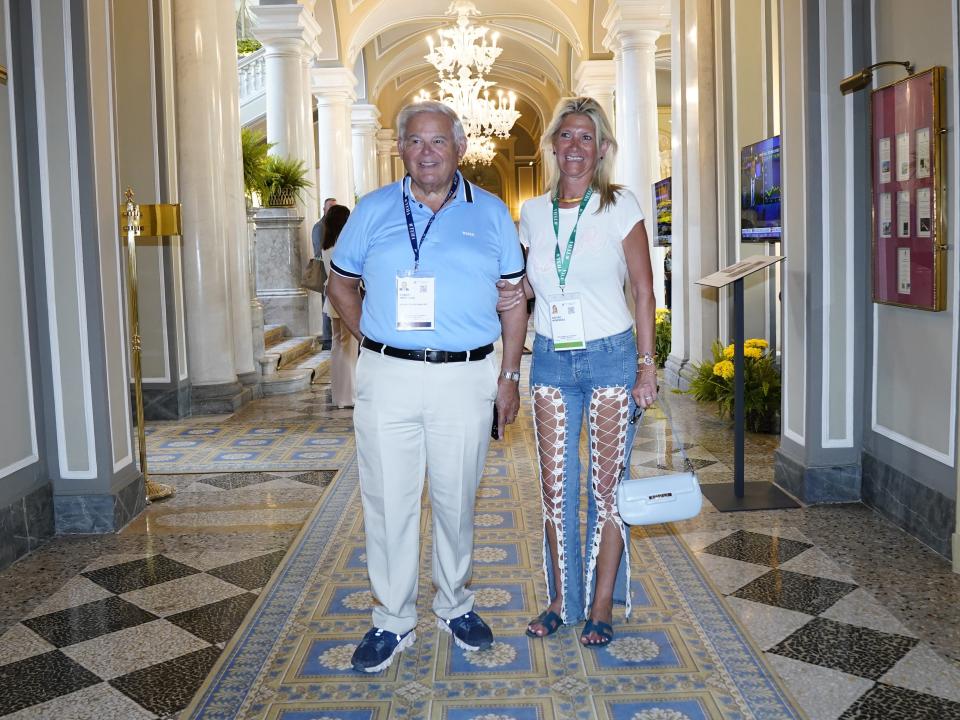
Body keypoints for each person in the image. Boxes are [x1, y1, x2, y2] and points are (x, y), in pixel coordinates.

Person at [326, 101, 528, 673]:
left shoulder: (490, 213)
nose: (428, 152)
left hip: (466, 376)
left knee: (456, 497)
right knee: (387, 499)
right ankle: (391, 619)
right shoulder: (372, 209)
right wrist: (374, 336)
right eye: (415, 141)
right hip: (388, 374)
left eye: (439, 141)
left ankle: (455, 604)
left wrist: (509, 376)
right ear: (401, 149)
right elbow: (340, 284)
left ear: (460, 148)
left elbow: (514, 304)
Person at [496, 96, 658, 647]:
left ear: (603, 148)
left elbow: (642, 288)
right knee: (554, 488)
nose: (575, 147)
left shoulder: (622, 205)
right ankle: (563, 600)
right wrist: (514, 297)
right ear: (552, 146)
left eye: (586, 137)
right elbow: (530, 288)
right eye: (565, 136)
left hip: (613, 356)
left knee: (607, 491)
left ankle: (603, 602)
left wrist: (646, 363)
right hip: (552, 359)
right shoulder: (534, 213)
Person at [319, 204, 356, 408]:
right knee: (348, 346)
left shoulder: (326, 246)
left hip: (331, 299)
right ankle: (349, 395)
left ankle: (339, 395)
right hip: (345, 299)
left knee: (337, 346)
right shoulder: (344, 245)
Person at [312, 197, 337, 350]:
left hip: (333, 272)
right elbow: (318, 252)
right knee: (326, 306)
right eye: (330, 208)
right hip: (325, 272)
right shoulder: (319, 227)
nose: (333, 210)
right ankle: (327, 339)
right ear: (324, 209)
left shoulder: (333, 227)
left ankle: (331, 337)